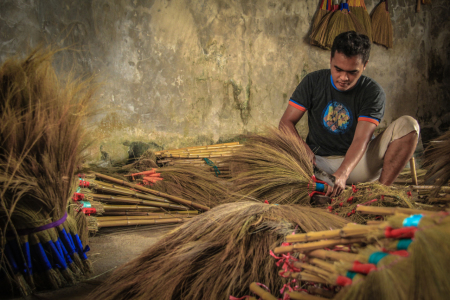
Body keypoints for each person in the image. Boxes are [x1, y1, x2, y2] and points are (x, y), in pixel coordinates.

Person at [279, 31, 419, 198]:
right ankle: (321, 186)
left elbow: (362, 139)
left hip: (358, 164)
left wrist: (342, 174)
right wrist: (303, 149)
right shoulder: (313, 82)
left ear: (365, 65)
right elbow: (285, 123)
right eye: (338, 69)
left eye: (352, 72)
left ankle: (380, 193)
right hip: (316, 163)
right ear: (330, 60)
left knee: (409, 125)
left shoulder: (372, 92)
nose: (343, 77)